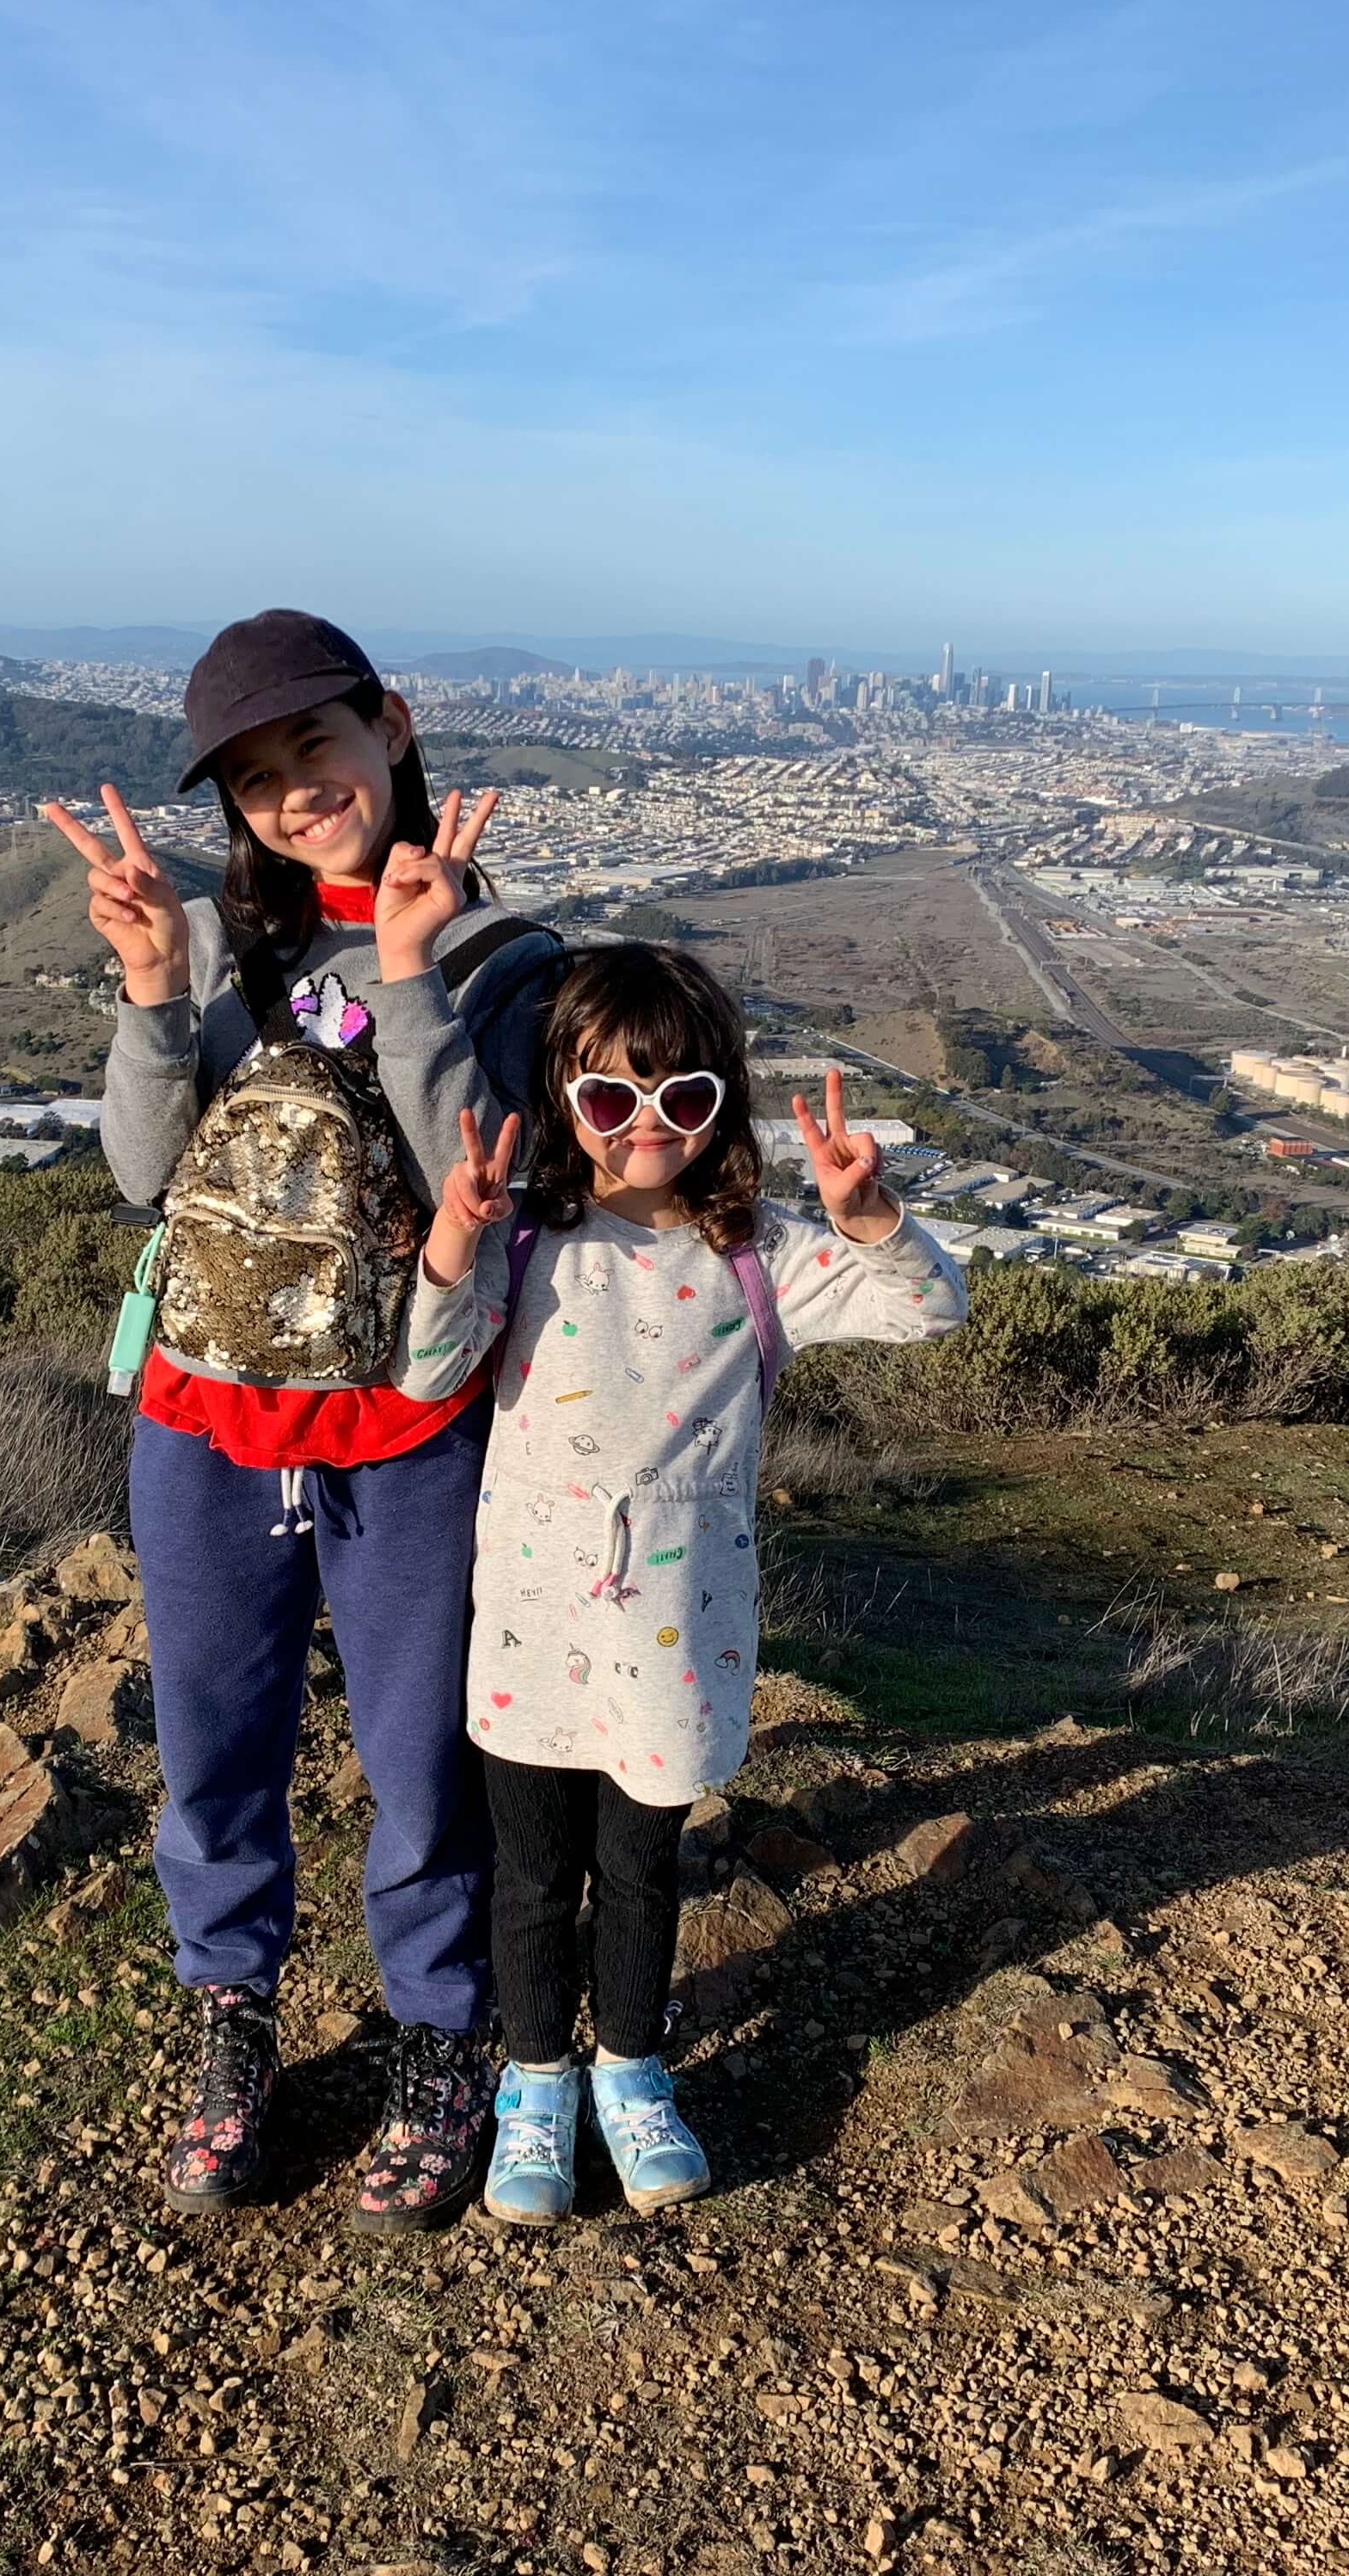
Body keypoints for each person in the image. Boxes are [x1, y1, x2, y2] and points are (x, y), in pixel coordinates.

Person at [45, 609, 561, 2233]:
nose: (291, 793)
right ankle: (234, 2021)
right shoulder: (212, 940)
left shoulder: (513, 959)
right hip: (205, 1416)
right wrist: (149, 989)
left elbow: (485, 1170)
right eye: (256, 777)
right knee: (212, 1745)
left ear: (393, 726)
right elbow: (145, 1175)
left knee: (421, 1762)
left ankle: (435, 2036)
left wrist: (406, 974)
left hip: (406, 1421)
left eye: (314, 749)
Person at [396, 944, 966, 2220]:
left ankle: (632, 2074)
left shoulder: (760, 1255)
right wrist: (451, 1241)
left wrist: (869, 1218)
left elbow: (932, 1310)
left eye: (682, 1097)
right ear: (562, 1098)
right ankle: (533, 2087)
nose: (645, 1127)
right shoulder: (529, 1238)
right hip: (533, 1631)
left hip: (677, 1634)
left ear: (723, 1104)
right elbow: (427, 1376)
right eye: (609, 1099)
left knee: (644, 1868)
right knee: (535, 1874)